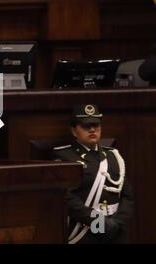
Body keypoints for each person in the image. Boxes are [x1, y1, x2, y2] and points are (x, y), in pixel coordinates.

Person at [52, 104, 134, 244]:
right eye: (86, 126)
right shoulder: (65, 157)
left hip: (115, 230)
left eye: (96, 125)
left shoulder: (113, 156)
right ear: (74, 131)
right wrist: (100, 223)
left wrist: (118, 224)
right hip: (86, 230)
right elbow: (66, 198)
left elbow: (128, 196)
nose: (92, 129)